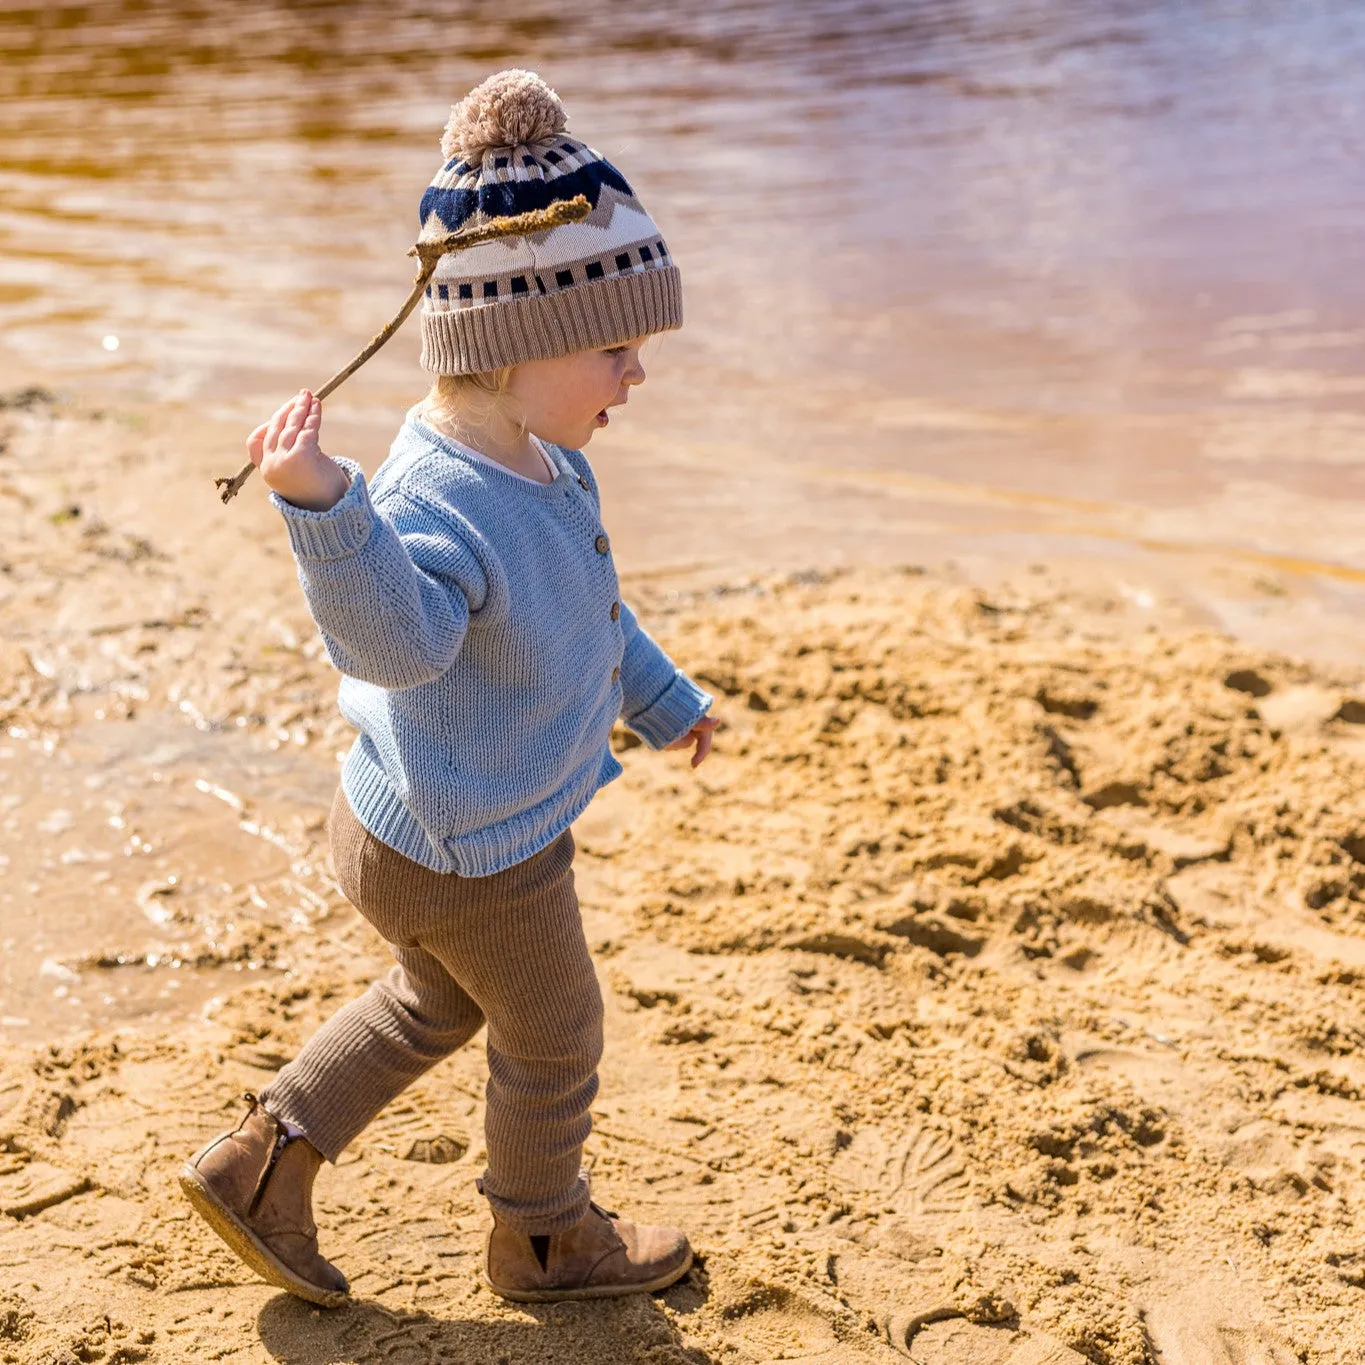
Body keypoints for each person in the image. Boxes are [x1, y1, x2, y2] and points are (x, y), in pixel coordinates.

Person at [178, 68, 718, 1308]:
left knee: (434, 1002)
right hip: (478, 849)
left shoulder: (541, 460)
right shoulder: (434, 497)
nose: (636, 374)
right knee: (556, 1033)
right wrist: (325, 506)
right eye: (616, 346)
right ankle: (543, 1238)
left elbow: (590, 615)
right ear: (519, 344)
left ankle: (265, 1158)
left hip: (408, 823)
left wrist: (666, 699)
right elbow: (399, 643)